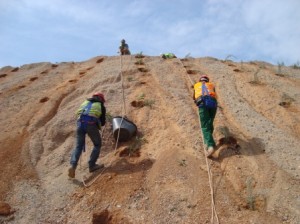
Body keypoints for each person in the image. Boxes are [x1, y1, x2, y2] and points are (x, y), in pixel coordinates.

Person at [68, 92, 106, 178]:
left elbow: (78, 113)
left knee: (78, 146)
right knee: (97, 144)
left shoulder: (85, 102)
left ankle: (72, 166)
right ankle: (92, 166)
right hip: (91, 126)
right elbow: (103, 122)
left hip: (80, 125)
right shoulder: (100, 105)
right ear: (101, 99)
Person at [193, 75, 218, 158]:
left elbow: (194, 97)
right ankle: (209, 142)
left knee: (204, 126)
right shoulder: (211, 85)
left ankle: (210, 146)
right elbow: (214, 93)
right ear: (207, 80)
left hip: (203, 103)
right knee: (210, 122)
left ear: (200, 80)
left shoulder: (197, 85)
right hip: (213, 103)